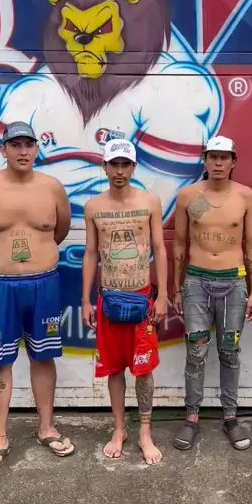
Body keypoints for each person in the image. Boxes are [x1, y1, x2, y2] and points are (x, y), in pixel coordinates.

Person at [0, 121, 74, 475]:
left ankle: (46, 428)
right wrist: (3, 261)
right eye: (15, 145)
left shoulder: (52, 187)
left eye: (29, 144)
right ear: (3, 149)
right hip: (0, 287)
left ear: (37, 148)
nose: (23, 151)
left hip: (44, 285)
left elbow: (59, 231)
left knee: (43, 356)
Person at [82, 137, 168, 465]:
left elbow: (159, 248)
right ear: (104, 167)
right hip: (109, 299)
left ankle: (145, 432)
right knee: (114, 368)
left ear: (133, 167)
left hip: (141, 297)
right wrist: (85, 300)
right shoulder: (94, 206)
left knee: (143, 370)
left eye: (125, 164)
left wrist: (161, 296)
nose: (119, 171)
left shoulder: (149, 201)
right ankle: (119, 429)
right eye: (114, 164)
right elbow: (91, 253)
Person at [172, 136, 252, 451]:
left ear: (234, 162)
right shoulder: (188, 196)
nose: (219, 163)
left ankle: (231, 418)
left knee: (230, 352)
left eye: (224, 157)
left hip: (233, 283)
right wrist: (177, 288)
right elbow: (179, 243)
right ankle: (191, 417)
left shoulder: (246, 196)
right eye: (213, 157)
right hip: (196, 282)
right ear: (204, 160)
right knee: (195, 352)